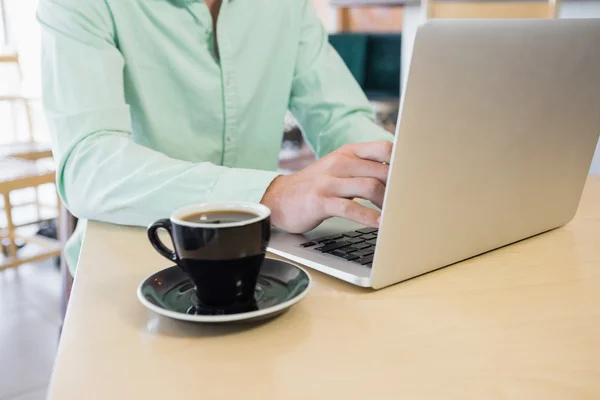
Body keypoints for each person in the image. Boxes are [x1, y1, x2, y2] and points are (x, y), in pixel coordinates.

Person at [37, 0, 394, 273]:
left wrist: (399, 170)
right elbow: (88, 165)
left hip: (263, 262)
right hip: (134, 264)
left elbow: (339, 116)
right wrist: (272, 195)